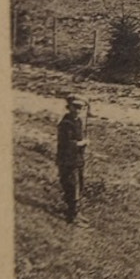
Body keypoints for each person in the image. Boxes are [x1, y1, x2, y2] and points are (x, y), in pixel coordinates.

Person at [56, 94, 88, 223]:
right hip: (67, 160)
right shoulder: (66, 123)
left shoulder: (78, 121)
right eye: (75, 107)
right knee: (71, 186)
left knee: (79, 185)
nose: (78, 110)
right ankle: (72, 216)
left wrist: (82, 145)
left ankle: (75, 211)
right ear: (69, 107)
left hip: (77, 159)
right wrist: (82, 143)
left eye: (80, 107)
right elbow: (67, 143)